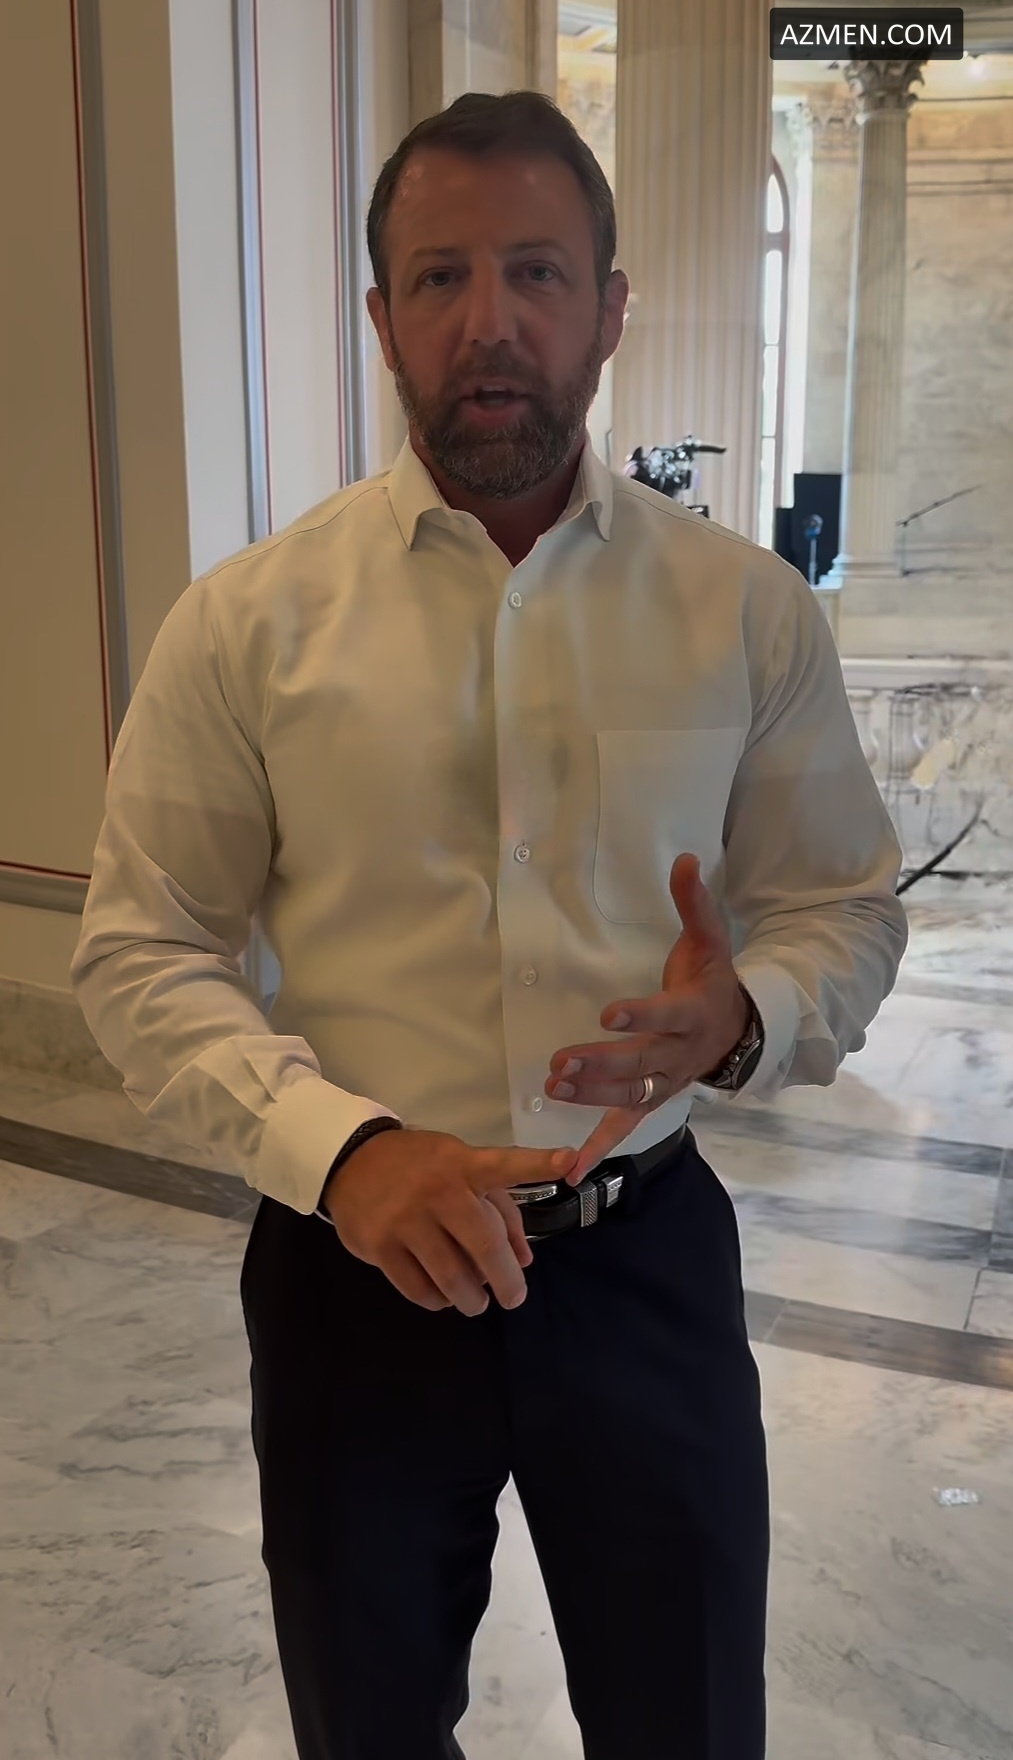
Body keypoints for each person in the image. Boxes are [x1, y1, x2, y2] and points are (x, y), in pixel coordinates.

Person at [71, 91, 908, 1760]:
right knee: (368, 1724)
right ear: (382, 319)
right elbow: (139, 947)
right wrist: (343, 1150)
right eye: (438, 277)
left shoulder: (741, 610)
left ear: (609, 307)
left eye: (536, 271)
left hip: (641, 1260)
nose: (489, 321)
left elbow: (842, 905)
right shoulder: (247, 624)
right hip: (355, 1272)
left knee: (686, 1721)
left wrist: (742, 1013)